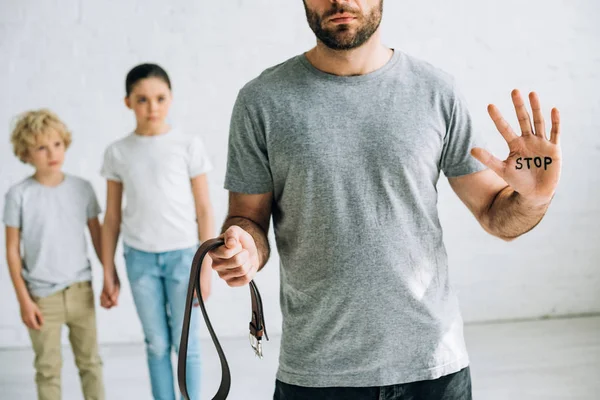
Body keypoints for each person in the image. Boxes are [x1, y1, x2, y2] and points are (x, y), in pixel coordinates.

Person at [209, 1, 562, 399]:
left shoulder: (436, 91)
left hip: (433, 369)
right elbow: (247, 218)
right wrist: (244, 249)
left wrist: (534, 198)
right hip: (317, 372)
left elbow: (495, 215)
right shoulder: (262, 101)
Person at [99, 63, 214, 400]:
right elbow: (111, 218)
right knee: (156, 344)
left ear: (171, 99)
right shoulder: (118, 152)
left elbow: (205, 210)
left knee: (187, 343)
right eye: (143, 100)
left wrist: (205, 268)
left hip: (184, 258)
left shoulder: (187, 145)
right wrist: (108, 271)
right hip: (140, 261)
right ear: (128, 102)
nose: (152, 107)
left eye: (160, 98)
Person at [3, 109, 105, 400]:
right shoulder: (18, 195)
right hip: (41, 298)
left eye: (57, 144)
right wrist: (24, 300)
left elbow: (98, 240)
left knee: (91, 364)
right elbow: (12, 251)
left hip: (81, 291)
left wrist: (109, 277)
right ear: (25, 153)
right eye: (41, 147)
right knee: (47, 369)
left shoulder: (81, 189)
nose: (52, 153)